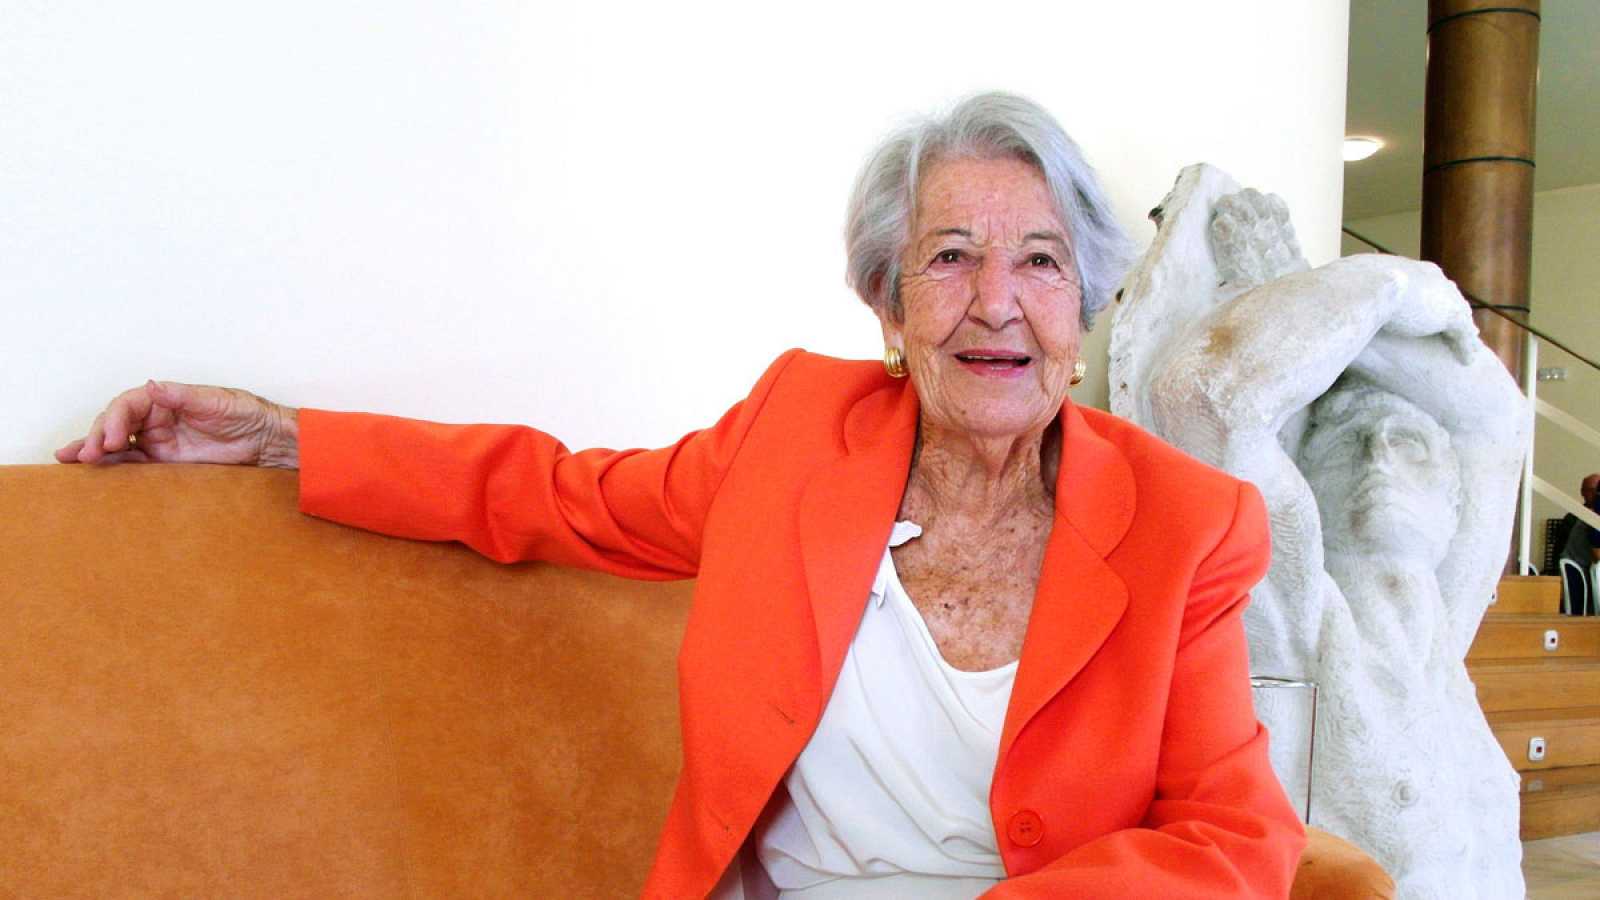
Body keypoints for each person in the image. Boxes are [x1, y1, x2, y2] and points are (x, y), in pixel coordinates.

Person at [56, 93, 1305, 898]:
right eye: (947, 257)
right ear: (887, 307)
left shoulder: (1187, 522)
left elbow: (1236, 837)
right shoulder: (795, 437)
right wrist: (284, 439)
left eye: (1039, 261)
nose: (995, 302)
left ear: (1083, 308)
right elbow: (553, 495)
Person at [1115, 173, 1527, 897]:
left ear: (1454, 500)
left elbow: (1499, 419)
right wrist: (1390, 286)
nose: (1379, 460)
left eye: (1410, 444)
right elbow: (1206, 397)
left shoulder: (1446, 628)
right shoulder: (1303, 620)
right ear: (1305, 477)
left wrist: (1300, 287)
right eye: (1347, 445)